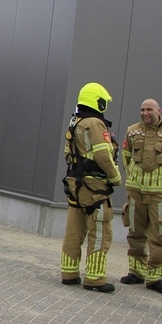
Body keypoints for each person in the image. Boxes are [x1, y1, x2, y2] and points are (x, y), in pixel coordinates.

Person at [119, 99, 162, 295]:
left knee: (159, 236)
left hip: (159, 194)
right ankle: (136, 272)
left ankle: (156, 277)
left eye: (149, 109)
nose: (145, 112)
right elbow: (125, 156)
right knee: (135, 233)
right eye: (142, 109)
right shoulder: (132, 131)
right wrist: (131, 176)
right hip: (135, 192)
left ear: (159, 111)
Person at [60, 82, 122, 292]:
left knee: (74, 229)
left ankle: (69, 273)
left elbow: (68, 154)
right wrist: (115, 178)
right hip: (94, 186)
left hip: (74, 183)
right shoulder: (95, 124)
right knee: (100, 230)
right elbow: (103, 155)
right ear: (99, 101)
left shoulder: (75, 122)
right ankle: (95, 278)